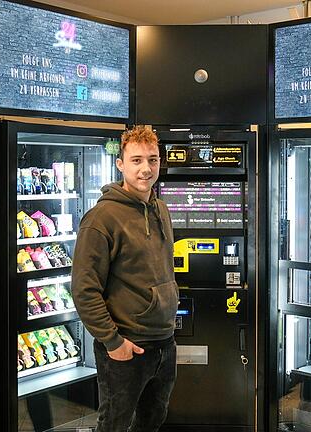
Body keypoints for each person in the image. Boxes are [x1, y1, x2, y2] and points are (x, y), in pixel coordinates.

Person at [71, 125, 178, 432]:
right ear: (120, 164)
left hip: (163, 344)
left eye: (153, 160)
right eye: (136, 160)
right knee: (114, 426)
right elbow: (84, 289)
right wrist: (113, 342)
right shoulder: (101, 218)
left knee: (151, 423)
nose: (146, 168)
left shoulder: (160, 208)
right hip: (125, 349)